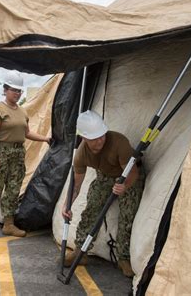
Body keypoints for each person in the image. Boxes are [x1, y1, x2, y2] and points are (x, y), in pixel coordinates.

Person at [62, 110, 145, 277]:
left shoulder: (119, 142)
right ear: (84, 138)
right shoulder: (81, 154)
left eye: (102, 135)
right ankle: (81, 250)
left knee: (128, 214)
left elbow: (133, 172)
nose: (100, 140)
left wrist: (125, 186)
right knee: (92, 208)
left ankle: (123, 257)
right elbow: (76, 186)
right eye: (94, 138)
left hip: (126, 176)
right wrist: (67, 204)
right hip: (105, 176)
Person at [0, 71, 51, 237]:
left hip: (17, 153)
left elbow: (27, 133)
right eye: (14, 90)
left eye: (19, 91)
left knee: (13, 190)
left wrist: (45, 139)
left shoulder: (22, 111)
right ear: (5, 89)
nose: (17, 93)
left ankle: (9, 224)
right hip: (1, 151)